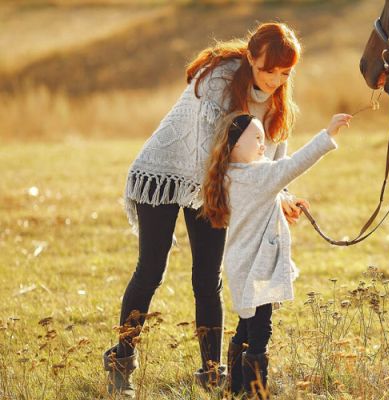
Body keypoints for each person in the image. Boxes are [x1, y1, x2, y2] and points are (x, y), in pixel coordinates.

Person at [103, 22, 311, 397]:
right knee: (151, 269)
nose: (275, 80)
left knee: (207, 277)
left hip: (216, 183)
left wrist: (282, 197)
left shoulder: (280, 104)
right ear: (251, 57)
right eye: (268, 70)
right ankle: (121, 359)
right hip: (167, 171)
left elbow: (270, 166)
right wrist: (258, 193)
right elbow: (208, 156)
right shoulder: (218, 79)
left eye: (284, 73)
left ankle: (212, 372)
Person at [203, 111, 350, 398]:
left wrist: (284, 199)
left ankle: (234, 387)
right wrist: (328, 134)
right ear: (234, 145)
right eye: (256, 138)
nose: (263, 144)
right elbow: (293, 165)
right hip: (258, 266)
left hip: (240, 264)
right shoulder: (259, 175)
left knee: (246, 326)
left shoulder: (229, 176)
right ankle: (256, 392)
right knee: (260, 332)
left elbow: (262, 196)